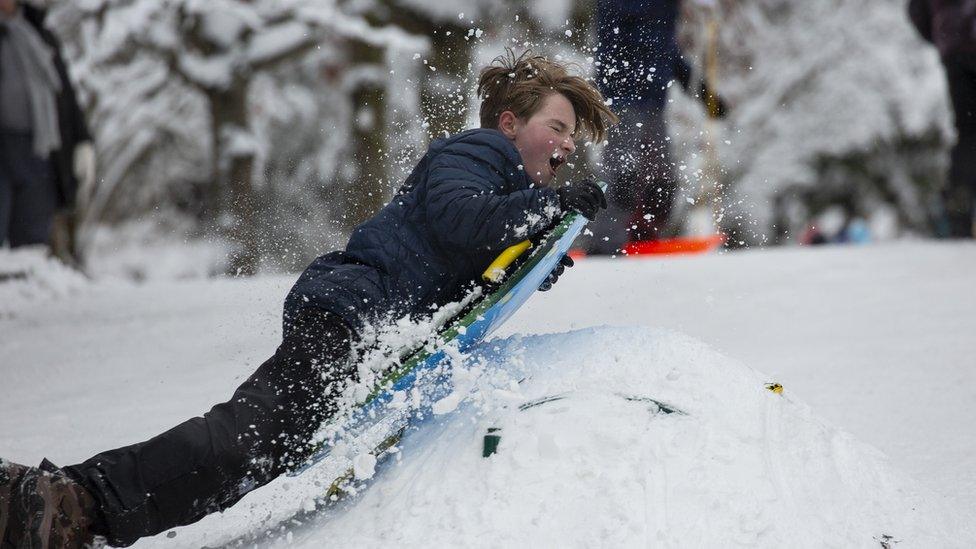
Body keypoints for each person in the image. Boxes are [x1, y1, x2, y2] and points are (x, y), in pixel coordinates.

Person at [0, 50, 617, 548]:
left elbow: (473, 255)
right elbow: (461, 218)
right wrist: (546, 210)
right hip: (353, 311)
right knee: (249, 439)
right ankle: (68, 500)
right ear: (510, 123)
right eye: (555, 127)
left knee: (259, 449)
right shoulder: (479, 152)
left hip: (361, 319)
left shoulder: (507, 189)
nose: (566, 146)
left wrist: (535, 253)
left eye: (571, 135)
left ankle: (79, 510)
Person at [587, 0, 724, 254]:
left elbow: (665, 49)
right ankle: (605, 244)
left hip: (654, 104)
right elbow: (630, 33)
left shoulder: (663, 11)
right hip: (621, 100)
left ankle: (642, 237)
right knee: (623, 176)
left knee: (661, 180)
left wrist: (704, 93)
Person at [0, 0, 94, 253]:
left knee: (32, 238)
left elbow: (64, 94)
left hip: (39, 148)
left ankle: (29, 287)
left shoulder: (39, 34)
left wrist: (82, 140)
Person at [909, 0, 976, 238]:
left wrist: (944, 35)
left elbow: (916, 10)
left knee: (967, 131)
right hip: (957, 44)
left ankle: (960, 204)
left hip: (955, 48)